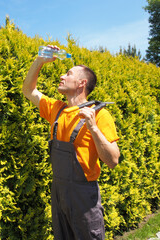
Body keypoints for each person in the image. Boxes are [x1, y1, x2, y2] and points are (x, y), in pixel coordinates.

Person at [22, 45, 120, 240]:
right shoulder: (56, 109)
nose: (62, 76)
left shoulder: (100, 114)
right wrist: (39, 60)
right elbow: (28, 90)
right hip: (59, 191)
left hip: (83, 196)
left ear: (81, 83)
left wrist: (93, 127)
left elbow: (113, 160)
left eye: (68, 74)